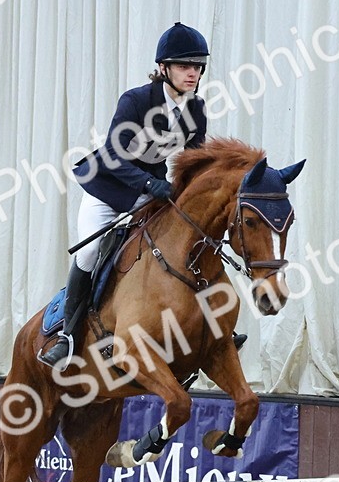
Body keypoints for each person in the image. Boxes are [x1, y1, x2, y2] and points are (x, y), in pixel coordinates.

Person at [40, 22, 223, 369]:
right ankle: (69, 334)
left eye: (198, 66)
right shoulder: (137, 101)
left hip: (149, 193)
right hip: (108, 190)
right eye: (185, 66)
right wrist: (149, 183)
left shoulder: (195, 110)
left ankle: (208, 328)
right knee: (92, 250)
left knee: (185, 242)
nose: (193, 73)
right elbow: (113, 154)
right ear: (163, 69)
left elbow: (195, 160)